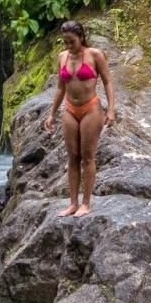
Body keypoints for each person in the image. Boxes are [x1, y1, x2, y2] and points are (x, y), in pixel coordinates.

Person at [42, 20, 116, 217]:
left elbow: (108, 81)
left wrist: (111, 110)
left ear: (81, 38)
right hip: (69, 109)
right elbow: (60, 88)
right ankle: (73, 203)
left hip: (91, 108)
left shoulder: (95, 55)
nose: (68, 46)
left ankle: (86, 203)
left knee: (88, 156)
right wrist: (51, 114)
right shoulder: (62, 56)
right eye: (65, 42)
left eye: (71, 42)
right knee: (72, 156)